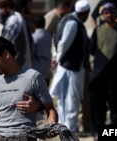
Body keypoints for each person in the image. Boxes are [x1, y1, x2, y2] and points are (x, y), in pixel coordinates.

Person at [49, 0, 90, 132]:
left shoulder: (68, 19)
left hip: (68, 67)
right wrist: (56, 58)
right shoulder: (73, 23)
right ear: (86, 13)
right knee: (71, 100)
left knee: (65, 99)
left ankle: (65, 127)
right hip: (70, 68)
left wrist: (56, 57)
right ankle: (69, 129)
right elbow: (63, 43)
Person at [89, 2, 117, 141]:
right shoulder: (97, 31)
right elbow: (91, 50)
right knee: (98, 106)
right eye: (106, 13)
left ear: (116, 14)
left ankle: (113, 134)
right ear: (102, 15)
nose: (109, 15)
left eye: (111, 12)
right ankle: (99, 132)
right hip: (99, 75)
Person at [1, 0, 33, 68]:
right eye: (29, 4)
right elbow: (6, 42)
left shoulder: (23, 20)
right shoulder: (14, 20)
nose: (31, 7)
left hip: (24, 65)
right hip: (16, 66)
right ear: (23, 6)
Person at [31, 16, 52, 87]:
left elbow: (32, 52)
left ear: (34, 25)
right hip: (47, 66)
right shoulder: (49, 35)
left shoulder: (34, 37)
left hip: (37, 66)